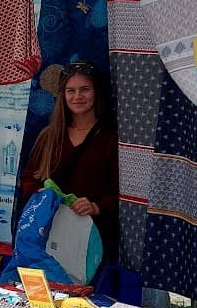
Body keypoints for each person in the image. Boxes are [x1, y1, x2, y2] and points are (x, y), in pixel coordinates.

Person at [15, 60, 119, 261]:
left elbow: (122, 195)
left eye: (85, 89)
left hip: (91, 240)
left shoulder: (110, 140)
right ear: (63, 95)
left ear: (96, 92)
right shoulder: (49, 136)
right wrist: (42, 195)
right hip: (47, 234)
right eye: (71, 91)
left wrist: (96, 206)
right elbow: (29, 180)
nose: (77, 96)